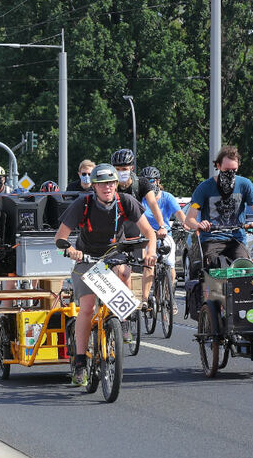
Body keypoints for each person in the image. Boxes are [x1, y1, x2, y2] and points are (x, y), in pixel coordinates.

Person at [54, 164, 157, 386]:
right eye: (101, 184)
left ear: (116, 184)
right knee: (88, 308)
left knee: (124, 270)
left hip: (113, 257)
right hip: (87, 260)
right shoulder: (83, 203)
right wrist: (70, 250)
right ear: (94, 186)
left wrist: (151, 253)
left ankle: (123, 321)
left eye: (110, 183)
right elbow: (59, 237)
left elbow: (149, 233)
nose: (107, 187)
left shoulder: (125, 202)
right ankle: (80, 362)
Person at [184, 145, 253, 269]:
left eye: (234, 170)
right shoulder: (204, 188)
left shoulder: (245, 185)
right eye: (227, 170)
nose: (230, 174)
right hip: (212, 239)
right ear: (218, 166)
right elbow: (189, 219)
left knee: (244, 266)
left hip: (236, 239)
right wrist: (199, 225)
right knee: (213, 263)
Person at [110, 148, 166, 309]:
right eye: (118, 169)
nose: (121, 172)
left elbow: (153, 204)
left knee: (149, 260)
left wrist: (161, 226)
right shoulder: (109, 184)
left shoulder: (141, 183)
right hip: (117, 227)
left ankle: (144, 299)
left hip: (136, 224)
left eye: (124, 169)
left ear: (132, 168)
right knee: (120, 268)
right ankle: (124, 302)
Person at [140, 166, 187, 314]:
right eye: (146, 181)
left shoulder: (167, 197)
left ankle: (169, 297)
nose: (150, 184)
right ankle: (145, 299)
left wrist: (187, 224)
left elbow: (179, 213)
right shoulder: (140, 199)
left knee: (170, 265)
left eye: (152, 181)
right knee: (148, 265)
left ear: (158, 181)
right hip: (145, 235)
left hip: (163, 233)